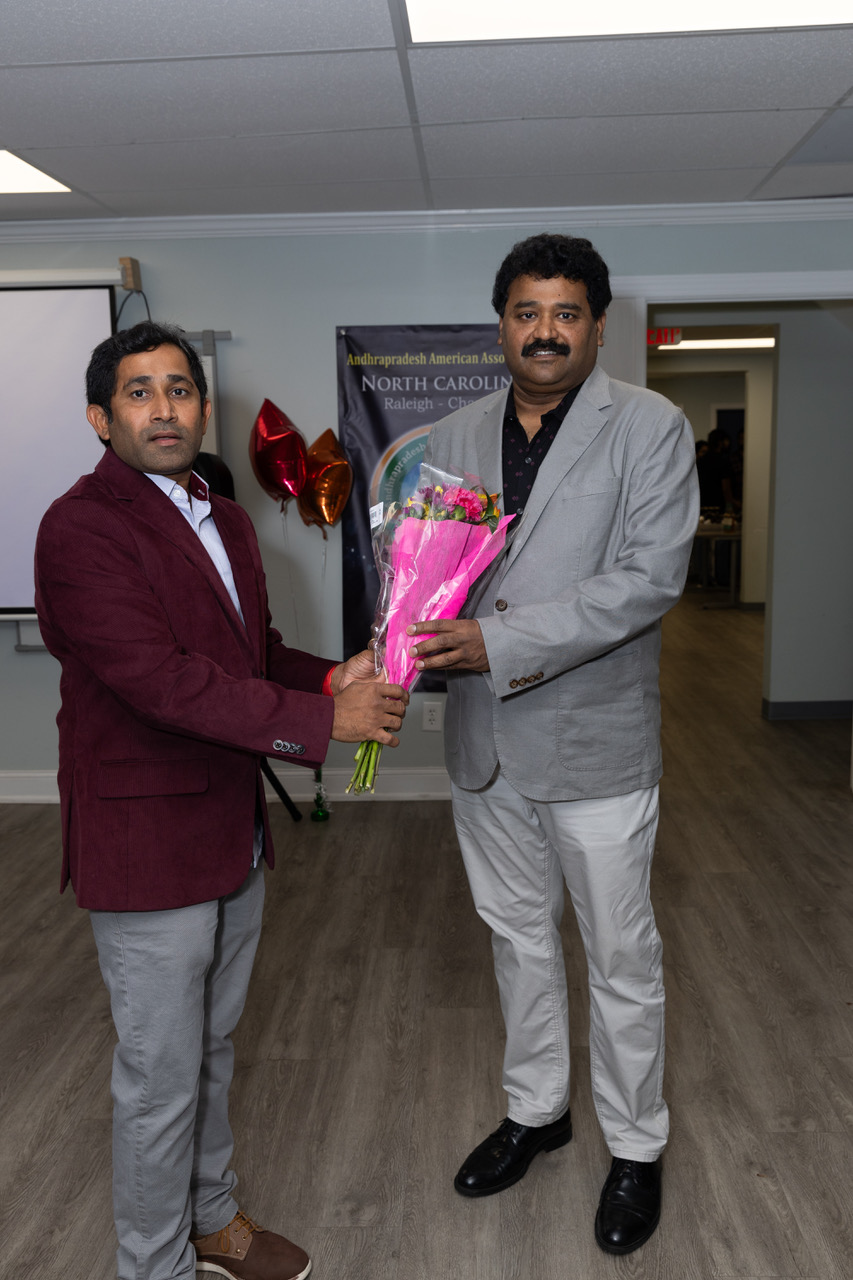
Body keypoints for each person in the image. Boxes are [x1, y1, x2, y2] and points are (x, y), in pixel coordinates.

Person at [34, 321, 407, 1280]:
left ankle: (210, 1222)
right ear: (101, 418)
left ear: (203, 407)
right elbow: (162, 683)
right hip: (146, 843)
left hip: (228, 830)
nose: (163, 408)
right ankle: (153, 1266)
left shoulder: (224, 516)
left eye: (179, 388)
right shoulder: (80, 527)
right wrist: (324, 724)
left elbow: (251, 657)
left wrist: (329, 678)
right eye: (139, 391)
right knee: (159, 1077)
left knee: (210, 1047)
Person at [408, 235, 698, 1255]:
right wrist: (404, 628)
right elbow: (433, 569)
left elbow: (646, 581)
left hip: (595, 746)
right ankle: (536, 1111)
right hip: (483, 744)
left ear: (597, 326)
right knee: (516, 939)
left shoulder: (650, 427)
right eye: (526, 312)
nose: (544, 331)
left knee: (621, 956)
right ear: (501, 324)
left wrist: (497, 642)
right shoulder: (453, 434)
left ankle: (635, 1144)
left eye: (565, 313)